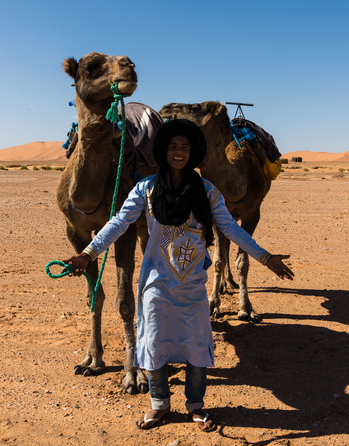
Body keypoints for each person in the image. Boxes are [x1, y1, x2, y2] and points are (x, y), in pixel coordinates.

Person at [64, 119, 294, 432]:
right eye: (173, 146)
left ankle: (196, 407)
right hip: (156, 284)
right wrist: (88, 253)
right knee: (156, 343)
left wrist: (265, 258)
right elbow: (119, 223)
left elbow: (229, 228)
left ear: (192, 153)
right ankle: (159, 406)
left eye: (185, 147)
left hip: (193, 285)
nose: (179, 152)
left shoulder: (208, 191)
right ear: (164, 151)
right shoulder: (146, 189)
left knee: (197, 345)